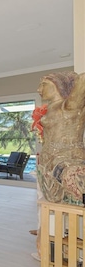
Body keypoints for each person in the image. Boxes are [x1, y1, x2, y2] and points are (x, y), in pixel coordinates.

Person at [36, 71, 85, 204]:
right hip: (49, 160)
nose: (39, 89)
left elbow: (82, 81)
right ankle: (47, 226)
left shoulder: (69, 107)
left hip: (66, 158)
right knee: (53, 201)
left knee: (73, 200)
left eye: (44, 84)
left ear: (57, 85)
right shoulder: (51, 108)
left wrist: (73, 79)